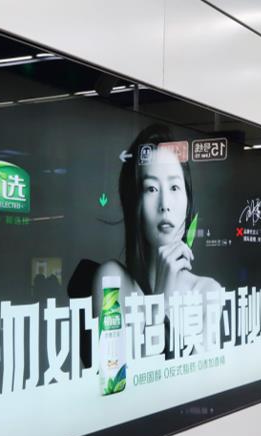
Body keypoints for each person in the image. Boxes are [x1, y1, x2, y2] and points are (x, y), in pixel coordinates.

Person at [92, 124, 223, 337]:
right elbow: (113, 360)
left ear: (188, 200)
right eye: (151, 189)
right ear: (135, 202)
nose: (165, 204)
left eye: (174, 187)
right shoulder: (111, 282)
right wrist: (160, 303)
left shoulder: (206, 292)